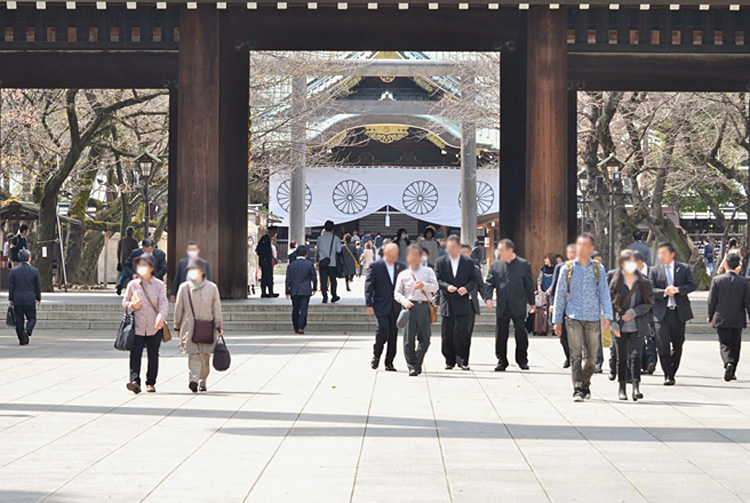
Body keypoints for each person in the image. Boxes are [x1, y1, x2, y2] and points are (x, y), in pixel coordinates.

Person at [553, 234, 613, 402]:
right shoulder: (567, 269)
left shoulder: (598, 268)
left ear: (591, 249)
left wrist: (608, 315)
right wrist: (556, 320)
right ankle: (578, 388)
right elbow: (560, 296)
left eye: (585, 245)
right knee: (575, 354)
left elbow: (604, 294)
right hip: (573, 316)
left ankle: (586, 383)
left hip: (593, 317)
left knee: (592, 357)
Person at [649, 242, 697, 386]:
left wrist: (678, 290)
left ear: (672, 254)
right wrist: (664, 292)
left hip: (678, 313)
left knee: (678, 344)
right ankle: (667, 375)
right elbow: (650, 290)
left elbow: (692, 285)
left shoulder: (683, 268)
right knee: (662, 346)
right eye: (659, 253)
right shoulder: (654, 270)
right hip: (661, 314)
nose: (661, 256)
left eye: (664, 253)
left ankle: (673, 370)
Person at [484, 239, 535, 371]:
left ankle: (522, 359)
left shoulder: (523, 264)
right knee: (501, 333)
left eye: (501, 250)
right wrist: (488, 298)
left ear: (510, 250)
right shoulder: (495, 265)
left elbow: (529, 284)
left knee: (521, 332)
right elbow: (489, 283)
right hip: (503, 304)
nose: (499, 252)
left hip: (518, 304)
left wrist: (532, 303)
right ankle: (501, 360)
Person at [121, 253, 169, 394]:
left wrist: (161, 317)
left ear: (151, 267)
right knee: (135, 354)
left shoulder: (159, 285)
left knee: (153, 355)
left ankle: (151, 382)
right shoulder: (133, 285)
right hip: (137, 326)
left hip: (154, 326)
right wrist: (131, 305)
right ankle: (135, 380)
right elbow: (124, 302)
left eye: (145, 265)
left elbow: (164, 303)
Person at [174, 257, 223, 393]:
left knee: (204, 355)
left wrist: (219, 325)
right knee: (193, 354)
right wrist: (177, 325)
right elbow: (179, 308)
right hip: (189, 325)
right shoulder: (184, 288)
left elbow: (216, 308)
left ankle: (203, 380)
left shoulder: (212, 288)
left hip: (208, 325)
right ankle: (193, 380)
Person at [609, 250, 653, 401]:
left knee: (636, 356)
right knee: (621, 357)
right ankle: (622, 388)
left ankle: (636, 387)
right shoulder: (615, 281)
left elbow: (649, 302)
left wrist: (634, 312)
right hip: (620, 325)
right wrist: (613, 322)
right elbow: (609, 304)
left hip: (637, 325)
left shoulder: (644, 282)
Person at [394, 244, 439, 376]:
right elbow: (397, 293)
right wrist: (404, 301)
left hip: (424, 307)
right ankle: (412, 366)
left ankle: (417, 361)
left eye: (416, 255)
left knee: (425, 339)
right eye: (411, 255)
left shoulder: (428, 271)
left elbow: (435, 287)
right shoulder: (403, 274)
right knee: (408, 339)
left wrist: (424, 286)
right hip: (409, 308)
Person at [436, 235, 477, 371]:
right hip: (447, 301)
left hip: (463, 301)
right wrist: (447, 286)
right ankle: (449, 360)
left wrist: (467, 288)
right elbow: (437, 279)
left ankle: (463, 360)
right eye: (449, 246)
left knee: (463, 333)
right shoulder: (441, 261)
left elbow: (474, 280)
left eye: (453, 246)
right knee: (447, 334)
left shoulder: (468, 262)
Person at [707, 252, 750, 382]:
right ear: (738, 266)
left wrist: (710, 315)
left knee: (724, 344)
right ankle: (733, 369)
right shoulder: (744, 282)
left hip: (721, 317)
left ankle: (728, 363)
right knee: (735, 344)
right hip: (737, 318)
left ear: (725, 265)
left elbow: (711, 300)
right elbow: (748, 302)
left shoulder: (717, 280)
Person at [365, 242, 406, 371]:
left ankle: (389, 362)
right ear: (385, 253)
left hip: (395, 305)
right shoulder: (375, 266)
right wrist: (369, 303)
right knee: (383, 330)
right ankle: (376, 355)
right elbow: (369, 286)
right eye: (391, 255)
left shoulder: (401, 267)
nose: (394, 258)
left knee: (393, 334)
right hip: (381, 304)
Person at [549, 243, 577, 368]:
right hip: (563, 305)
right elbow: (554, 288)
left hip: (578, 307)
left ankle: (576, 357)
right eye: (571, 253)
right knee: (563, 335)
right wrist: (552, 304)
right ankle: (568, 356)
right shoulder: (561, 267)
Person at [8, 249, 41, 345]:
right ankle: (27, 330)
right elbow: (37, 286)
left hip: (17, 298)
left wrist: (11, 298)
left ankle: (21, 339)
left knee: (19, 320)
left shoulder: (14, 271)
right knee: (32, 317)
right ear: (29, 258)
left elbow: (11, 286)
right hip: (29, 298)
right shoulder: (34, 271)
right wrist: (38, 298)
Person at [633, 250, 657, 375]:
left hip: (651, 310)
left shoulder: (652, 272)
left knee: (651, 337)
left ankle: (651, 362)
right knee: (639, 338)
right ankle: (643, 364)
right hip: (636, 311)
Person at [285, 245, 317, 334]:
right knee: (303, 309)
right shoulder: (309, 264)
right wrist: (314, 287)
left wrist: (287, 291)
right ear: (305, 254)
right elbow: (313, 277)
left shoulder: (291, 265)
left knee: (295, 309)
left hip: (294, 290)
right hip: (305, 289)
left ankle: (296, 326)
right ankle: (301, 327)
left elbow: (288, 279)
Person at [461, 244, 486, 342]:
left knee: (467, 332)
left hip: (471, 303)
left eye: (466, 253)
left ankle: (464, 356)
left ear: (470, 253)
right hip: (458, 303)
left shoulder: (475, 268)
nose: (464, 255)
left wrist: (486, 297)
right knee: (457, 331)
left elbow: (481, 285)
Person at [317, 221, 343, 303]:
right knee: (333, 280)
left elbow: (318, 250)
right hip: (332, 262)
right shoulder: (335, 239)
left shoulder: (319, 238)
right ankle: (334, 295)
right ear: (332, 229)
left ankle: (324, 296)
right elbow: (339, 250)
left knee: (323, 280)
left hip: (322, 261)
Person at [116, 226, 139, 295]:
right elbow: (136, 252)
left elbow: (118, 251)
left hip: (124, 261)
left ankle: (120, 285)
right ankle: (132, 289)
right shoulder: (134, 241)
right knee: (132, 275)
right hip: (132, 261)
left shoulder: (121, 241)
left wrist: (119, 260)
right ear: (132, 233)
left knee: (123, 275)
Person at [256, 226, 278, 298]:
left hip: (268, 260)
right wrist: (263, 258)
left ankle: (270, 291)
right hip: (265, 261)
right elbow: (259, 250)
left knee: (269, 276)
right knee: (266, 276)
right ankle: (264, 292)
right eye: (274, 232)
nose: (274, 234)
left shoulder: (268, 239)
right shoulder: (265, 238)